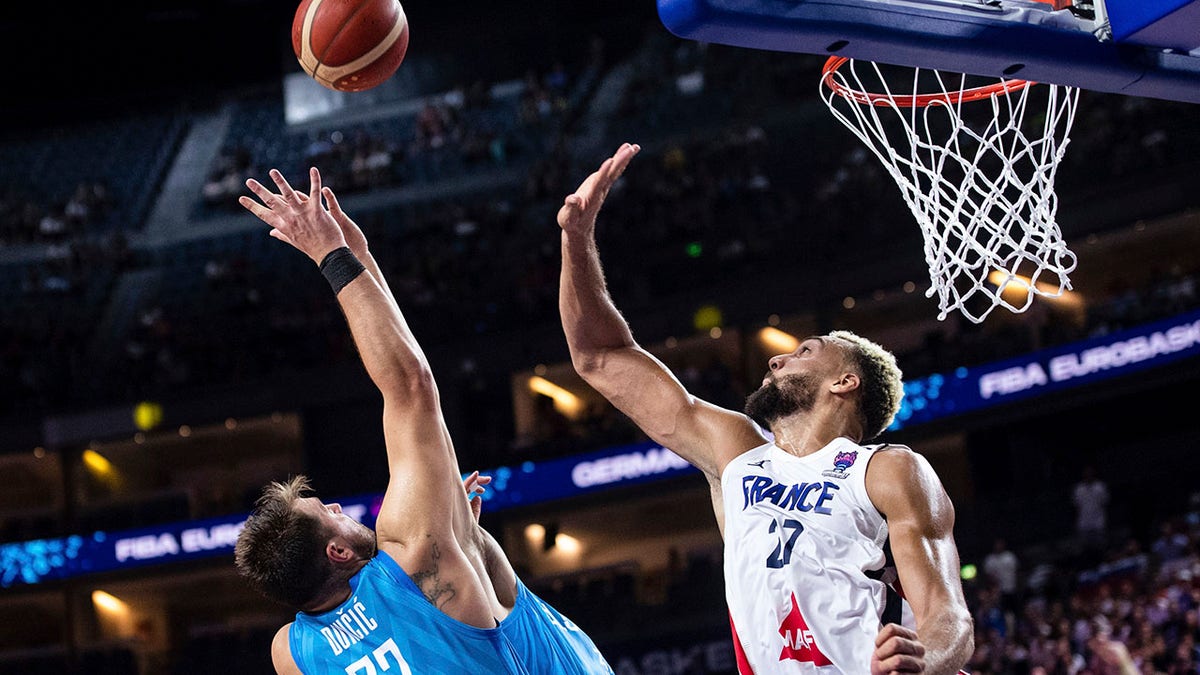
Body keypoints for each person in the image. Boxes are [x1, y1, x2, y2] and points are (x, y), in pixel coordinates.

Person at [557, 144, 973, 674]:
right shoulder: (736, 451)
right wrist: (576, 238)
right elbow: (600, 357)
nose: (776, 358)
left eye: (805, 352)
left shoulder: (887, 468)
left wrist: (923, 663)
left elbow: (949, 618)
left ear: (845, 382)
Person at [233, 167, 613, 675]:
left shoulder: (294, 654)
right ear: (339, 551)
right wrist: (330, 256)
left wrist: (360, 260)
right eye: (331, 512)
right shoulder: (411, 558)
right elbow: (411, 386)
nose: (341, 505)